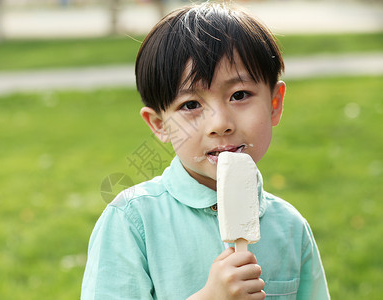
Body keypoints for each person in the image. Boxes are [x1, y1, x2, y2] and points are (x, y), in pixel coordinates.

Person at [81, 2, 330, 299]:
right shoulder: (132, 221)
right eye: (190, 105)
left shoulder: (289, 227)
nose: (220, 124)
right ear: (160, 124)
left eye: (239, 95)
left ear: (274, 104)